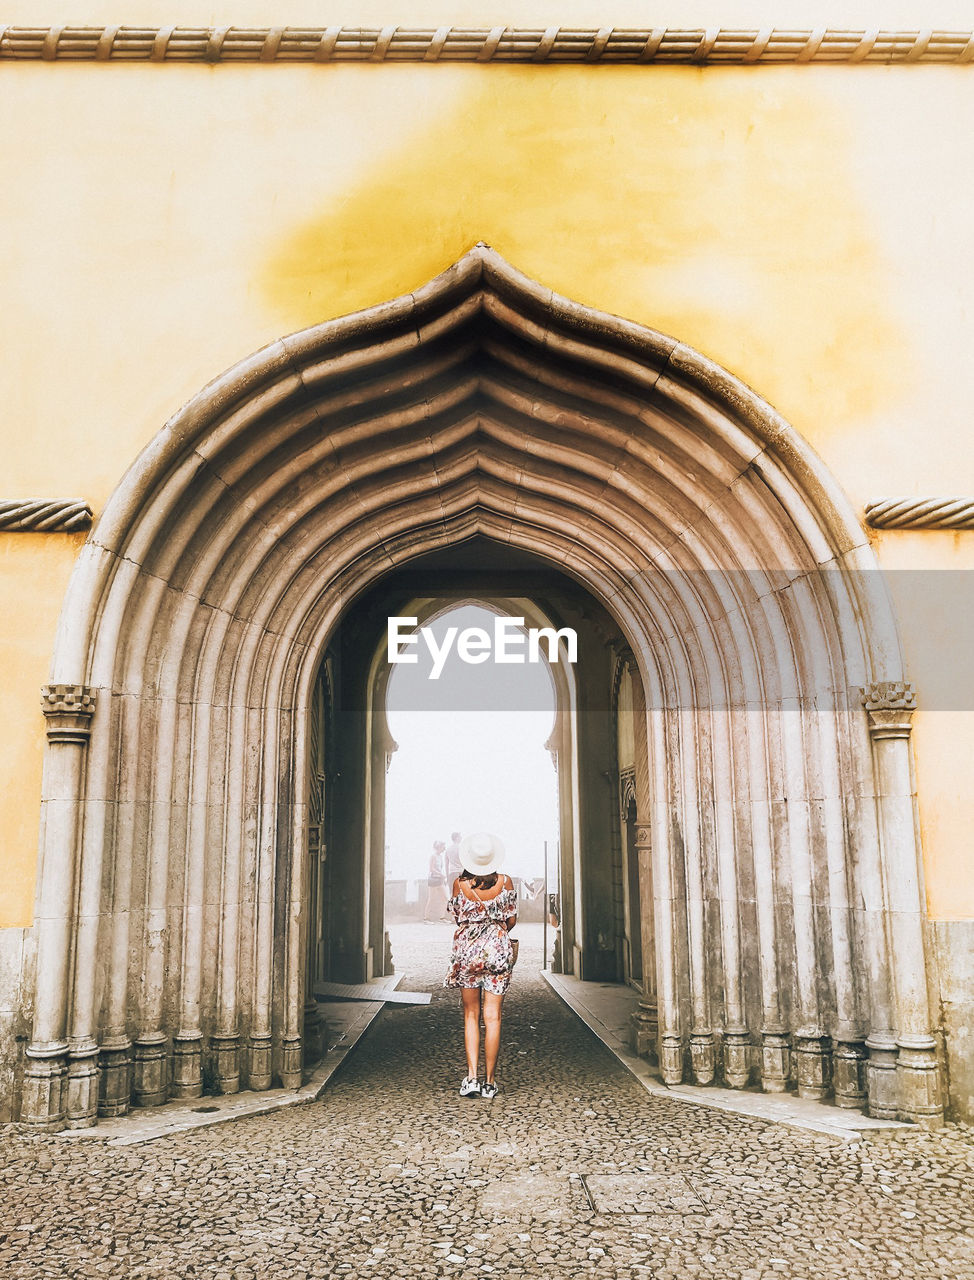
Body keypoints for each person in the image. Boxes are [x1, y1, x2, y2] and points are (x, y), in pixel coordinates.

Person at [444, 831, 517, 1099]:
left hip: (468, 954)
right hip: (497, 951)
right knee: (493, 1017)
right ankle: (489, 1082)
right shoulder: (506, 882)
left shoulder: (458, 885)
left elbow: (457, 919)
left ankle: (472, 1078)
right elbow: (511, 921)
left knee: (471, 1015)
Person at [424, 840, 448, 922]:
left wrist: (442, 877)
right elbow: (431, 869)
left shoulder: (440, 857)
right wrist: (441, 875)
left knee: (445, 898)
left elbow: (438, 869)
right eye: (443, 847)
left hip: (439, 880)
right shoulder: (433, 856)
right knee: (432, 899)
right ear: (439, 847)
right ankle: (426, 918)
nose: (444, 849)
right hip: (434, 880)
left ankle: (442, 917)